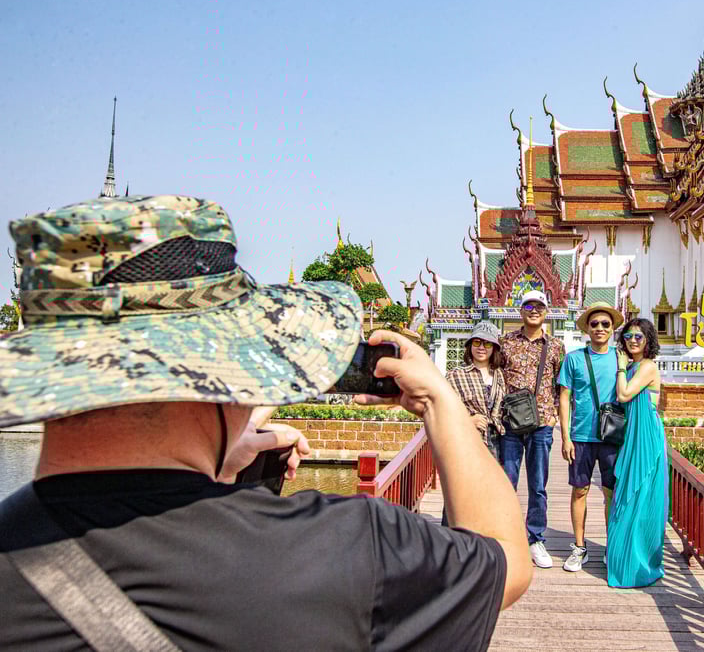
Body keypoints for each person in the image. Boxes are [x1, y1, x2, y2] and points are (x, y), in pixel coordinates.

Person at [0, 195, 531, 650]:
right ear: (226, 373)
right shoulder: (346, 550)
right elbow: (504, 559)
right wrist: (440, 399)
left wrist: (221, 462)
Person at [499, 289, 565, 569]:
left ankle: (535, 538)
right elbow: (496, 378)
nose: (533, 310)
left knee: (538, 486)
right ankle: (506, 537)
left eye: (539, 306)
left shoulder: (556, 346)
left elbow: (562, 387)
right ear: (520, 310)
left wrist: (555, 419)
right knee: (507, 483)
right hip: (511, 424)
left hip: (541, 425)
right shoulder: (505, 343)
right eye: (528, 305)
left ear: (546, 311)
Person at [556, 301, 623, 572]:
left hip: (612, 436)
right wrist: (565, 437)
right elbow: (564, 397)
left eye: (605, 324)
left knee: (610, 493)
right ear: (587, 328)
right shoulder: (574, 358)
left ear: (612, 329)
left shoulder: (621, 358)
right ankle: (580, 547)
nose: (599, 328)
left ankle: (611, 546)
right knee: (580, 490)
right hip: (582, 435)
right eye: (594, 324)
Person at [606, 317, 667, 588]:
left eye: (638, 337)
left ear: (648, 340)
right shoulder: (633, 366)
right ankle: (624, 558)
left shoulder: (647, 366)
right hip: (633, 435)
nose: (632, 340)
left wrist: (620, 368)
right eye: (628, 336)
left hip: (647, 438)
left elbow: (624, 395)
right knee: (626, 494)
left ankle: (640, 563)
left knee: (642, 497)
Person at [446, 321, 507, 459]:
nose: (481, 348)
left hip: (497, 441)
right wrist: (468, 420)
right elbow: (443, 409)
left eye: (487, 344)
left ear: (494, 348)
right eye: (477, 342)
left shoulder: (499, 375)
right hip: (469, 438)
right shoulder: (455, 375)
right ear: (470, 345)